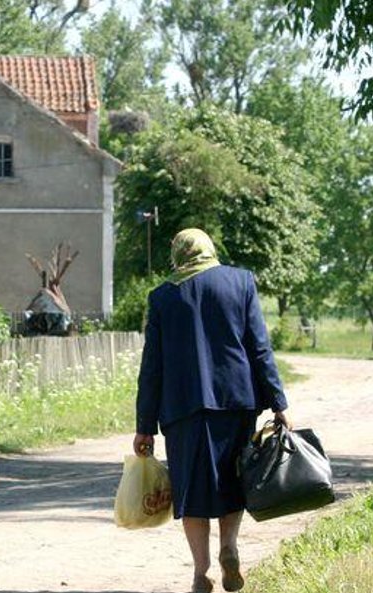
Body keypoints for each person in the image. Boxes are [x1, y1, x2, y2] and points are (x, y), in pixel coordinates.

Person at [133, 228, 291, 593]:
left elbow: (152, 367)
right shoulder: (241, 282)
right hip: (236, 402)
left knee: (191, 490)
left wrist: (145, 426)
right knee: (233, 480)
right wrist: (279, 404)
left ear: (179, 253)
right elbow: (259, 348)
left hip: (182, 407)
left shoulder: (162, 298)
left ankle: (200, 570)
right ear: (209, 249)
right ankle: (229, 547)